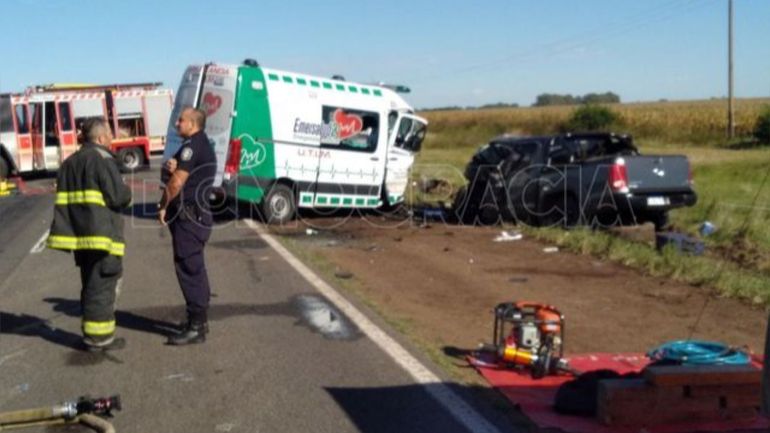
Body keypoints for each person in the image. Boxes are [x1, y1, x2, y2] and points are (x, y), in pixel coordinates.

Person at [47, 117, 132, 352]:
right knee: (102, 287)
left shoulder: (70, 163)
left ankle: (90, 334)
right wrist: (128, 192)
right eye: (110, 135)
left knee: (89, 285)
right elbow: (118, 197)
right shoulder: (102, 161)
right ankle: (99, 339)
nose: (112, 139)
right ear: (101, 138)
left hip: (81, 239)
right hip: (103, 239)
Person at [158, 107, 216, 345]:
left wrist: (163, 205)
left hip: (190, 217)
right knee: (193, 267)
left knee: (189, 269)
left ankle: (196, 327)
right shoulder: (194, 144)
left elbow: (176, 184)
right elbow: (178, 172)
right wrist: (172, 167)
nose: (177, 124)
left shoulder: (193, 145)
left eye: (181, 120)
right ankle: (198, 321)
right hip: (193, 216)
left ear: (192, 124)